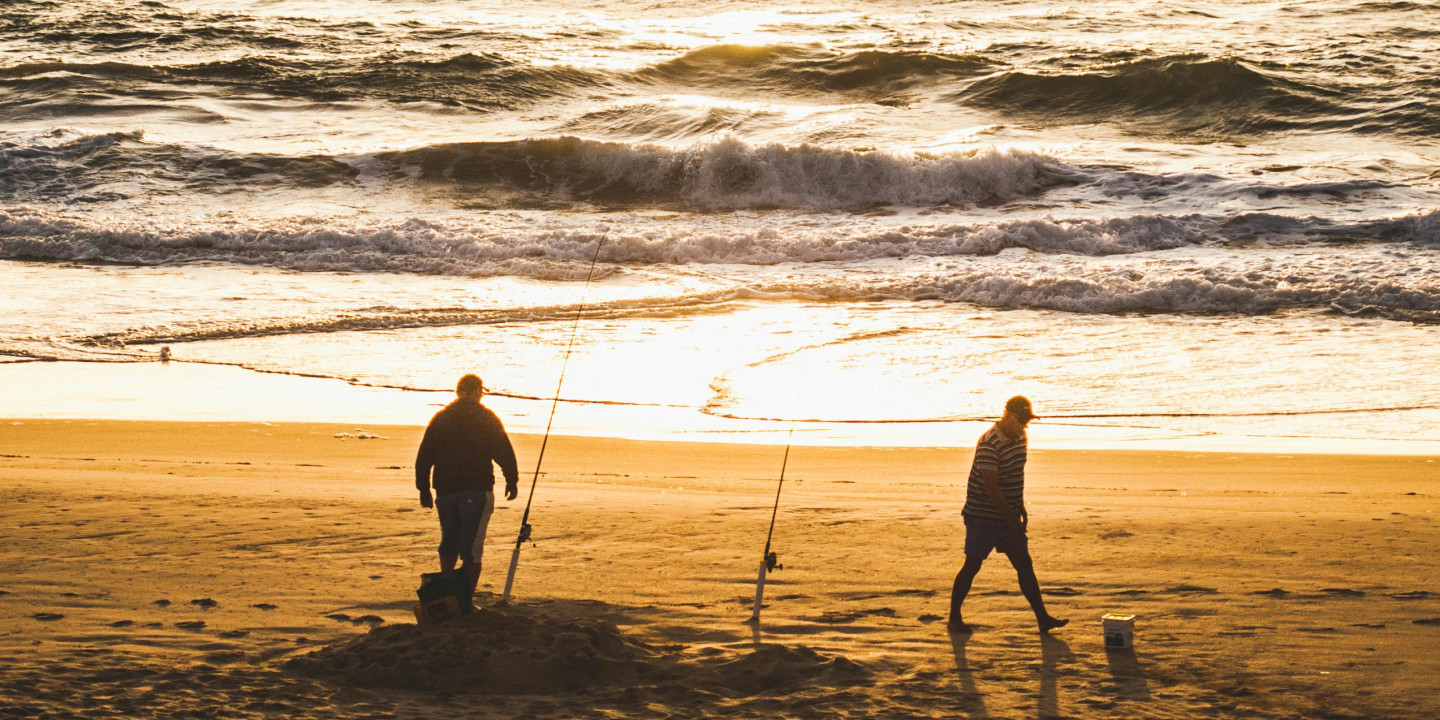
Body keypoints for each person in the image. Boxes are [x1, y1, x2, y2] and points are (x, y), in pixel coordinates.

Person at [948, 395, 1068, 634]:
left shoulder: (1020, 437)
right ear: (1009, 416)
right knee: (972, 565)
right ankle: (954, 617)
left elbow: (1015, 474)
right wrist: (1011, 519)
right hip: (982, 515)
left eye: (1027, 422)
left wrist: (1019, 505)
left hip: (1009, 512)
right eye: (1022, 421)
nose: (1025, 426)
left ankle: (1042, 618)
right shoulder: (989, 443)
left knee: (1024, 564)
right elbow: (991, 487)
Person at [416, 374, 520, 597]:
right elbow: (503, 451)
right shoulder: (486, 418)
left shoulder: (440, 419)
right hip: (477, 490)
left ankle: (447, 591)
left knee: (449, 539)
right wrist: (512, 479)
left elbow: (424, 458)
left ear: (458, 392)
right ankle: (466, 598)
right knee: (472, 546)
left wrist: (423, 489)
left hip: (446, 491)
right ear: (476, 392)